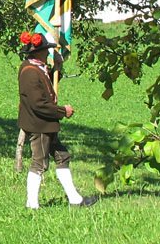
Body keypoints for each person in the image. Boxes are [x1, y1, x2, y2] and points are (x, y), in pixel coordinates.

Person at [18, 31, 98, 209]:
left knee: (62, 157)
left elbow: (47, 85)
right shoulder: (29, 72)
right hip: (39, 124)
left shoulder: (38, 67)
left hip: (47, 124)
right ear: (38, 52)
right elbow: (39, 104)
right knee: (39, 163)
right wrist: (63, 111)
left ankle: (75, 200)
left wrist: (58, 69)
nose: (48, 53)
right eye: (46, 50)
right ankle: (31, 205)